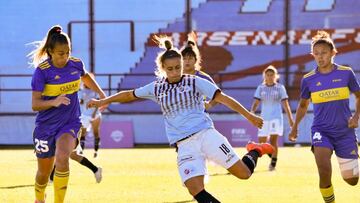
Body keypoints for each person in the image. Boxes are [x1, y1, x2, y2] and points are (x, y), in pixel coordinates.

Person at [87, 36, 274, 202]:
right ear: (162, 69)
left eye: (178, 67)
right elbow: (128, 95)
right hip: (183, 145)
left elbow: (223, 98)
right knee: (195, 189)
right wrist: (103, 100)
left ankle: (255, 150)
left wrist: (249, 116)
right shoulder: (156, 88)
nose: (175, 72)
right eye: (170, 69)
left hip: (206, 135)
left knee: (244, 174)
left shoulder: (194, 81)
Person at [29, 25, 106, 203]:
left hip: (70, 122)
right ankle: (39, 198)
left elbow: (85, 77)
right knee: (43, 173)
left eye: (67, 52)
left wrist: (102, 94)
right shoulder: (42, 71)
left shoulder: (76, 64)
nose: (64, 57)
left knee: (63, 157)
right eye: (60, 53)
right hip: (46, 126)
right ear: (50, 51)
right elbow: (35, 104)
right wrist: (54, 102)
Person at [288, 31, 359, 203]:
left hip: (345, 131)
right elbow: (303, 105)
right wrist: (295, 126)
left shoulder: (346, 73)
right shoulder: (308, 79)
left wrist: (356, 116)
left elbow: (359, 96)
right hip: (321, 130)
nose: (320, 57)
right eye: (316, 54)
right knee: (324, 170)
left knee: (352, 180)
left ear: (333, 53)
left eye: (324, 53)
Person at [250, 65, 294, 171]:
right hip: (264, 118)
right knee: (261, 143)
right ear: (264, 76)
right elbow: (256, 102)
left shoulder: (280, 88)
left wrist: (291, 119)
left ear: (276, 76)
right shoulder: (261, 88)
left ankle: (273, 164)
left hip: (276, 118)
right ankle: (272, 155)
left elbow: (286, 104)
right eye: (267, 75)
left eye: (272, 75)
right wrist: (251, 113)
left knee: (274, 141)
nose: (270, 77)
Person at [180, 32, 217, 110]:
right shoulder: (176, 77)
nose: (187, 61)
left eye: (190, 58)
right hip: (180, 118)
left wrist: (209, 105)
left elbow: (217, 96)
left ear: (195, 60)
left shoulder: (204, 77)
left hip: (199, 117)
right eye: (184, 58)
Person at [78, 73, 102, 158]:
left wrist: (94, 113)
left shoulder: (95, 91)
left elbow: (98, 103)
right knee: (82, 134)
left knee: (96, 133)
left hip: (95, 115)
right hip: (85, 115)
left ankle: (96, 151)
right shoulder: (81, 90)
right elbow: (80, 102)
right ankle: (81, 152)